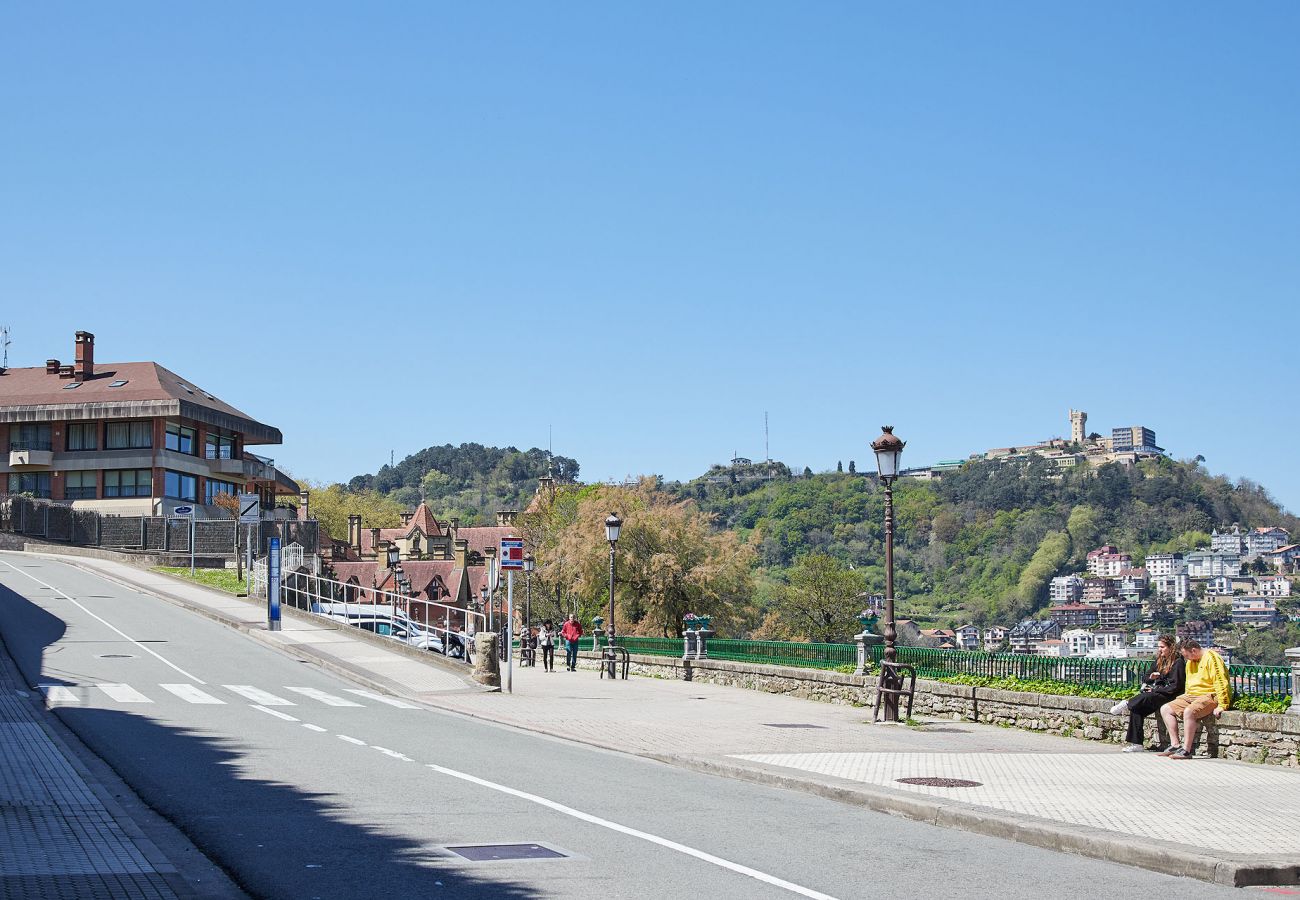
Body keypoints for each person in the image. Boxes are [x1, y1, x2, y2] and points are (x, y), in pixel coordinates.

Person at [1109, 634, 1184, 752]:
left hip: (1169, 695)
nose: (1160, 649)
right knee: (1137, 709)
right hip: (1158, 693)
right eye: (1159, 647)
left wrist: (1156, 689)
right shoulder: (1160, 661)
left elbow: (1175, 686)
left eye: (1163, 647)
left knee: (1147, 696)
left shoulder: (1178, 662)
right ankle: (1137, 744)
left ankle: (1127, 703)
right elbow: (1145, 678)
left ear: (1171, 647)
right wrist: (1151, 677)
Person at [1159, 640, 1231, 760]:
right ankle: (1175, 745)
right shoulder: (1190, 662)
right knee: (1165, 709)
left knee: (1189, 712)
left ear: (1194, 650)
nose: (1186, 658)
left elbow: (1220, 681)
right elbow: (1189, 683)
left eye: (1186, 655)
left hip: (1209, 694)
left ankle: (1186, 750)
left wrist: (1223, 704)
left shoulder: (1212, 658)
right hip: (1192, 695)